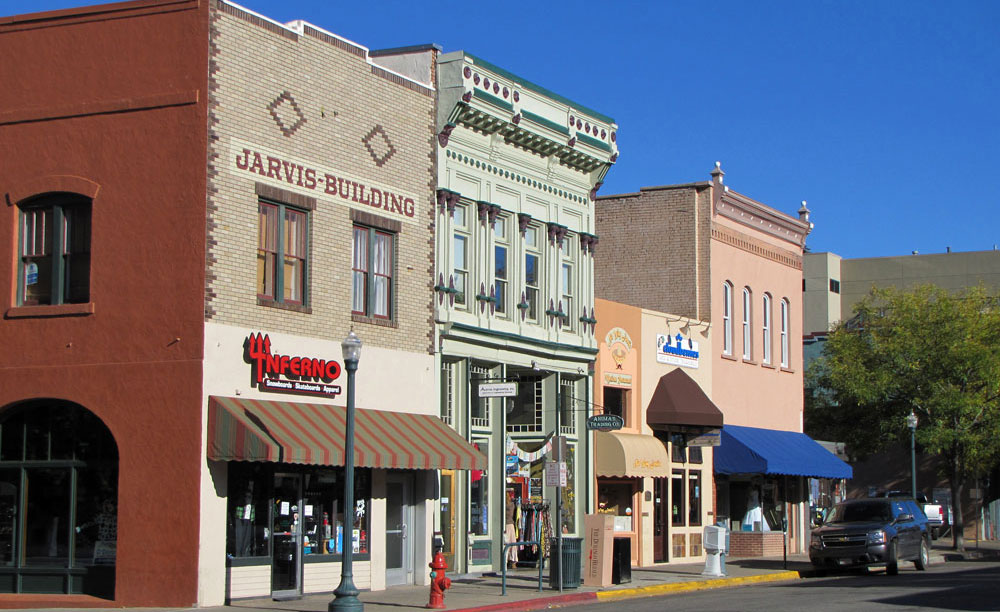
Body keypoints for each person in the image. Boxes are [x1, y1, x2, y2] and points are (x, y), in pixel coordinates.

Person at [504, 489, 519, 568]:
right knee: (512, 544)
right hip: (510, 525)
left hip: (504, 525)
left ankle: (505, 560)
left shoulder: (503, 505)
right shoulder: (512, 505)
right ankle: (513, 561)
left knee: (505, 544)